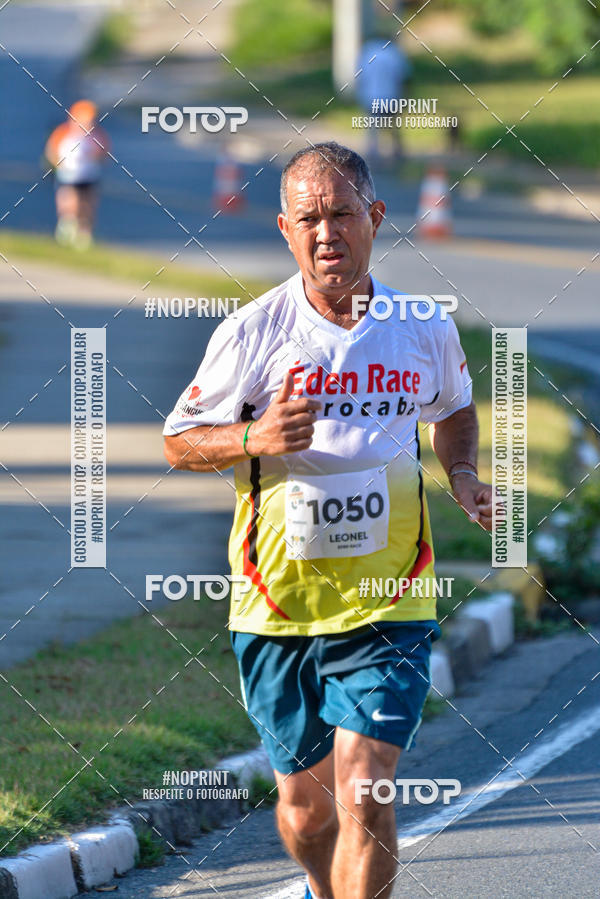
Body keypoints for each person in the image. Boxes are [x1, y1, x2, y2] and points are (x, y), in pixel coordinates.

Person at [163, 142, 492, 899]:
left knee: (368, 786)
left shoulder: (421, 325)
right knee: (307, 814)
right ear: (284, 228)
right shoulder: (253, 332)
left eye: (342, 214)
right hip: (278, 604)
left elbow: (454, 409)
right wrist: (255, 437)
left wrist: (464, 475)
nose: (326, 233)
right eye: (308, 218)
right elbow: (179, 441)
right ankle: (321, 885)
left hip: (390, 596)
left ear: (375, 217)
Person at [45, 100, 110, 249]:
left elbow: (104, 153)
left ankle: (84, 234)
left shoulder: (97, 135)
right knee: (70, 202)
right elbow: (52, 151)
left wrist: (96, 159)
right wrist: (60, 165)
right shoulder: (64, 133)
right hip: (69, 176)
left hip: (89, 175)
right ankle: (67, 228)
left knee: (88, 204)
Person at [356, 37, 411, 161]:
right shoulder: (395, 53)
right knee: (393, 125)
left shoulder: (367, 52)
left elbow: (360, 76)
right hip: (391, 94)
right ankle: (397, 151)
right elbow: (403, 76)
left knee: (373, 127)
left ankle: (373, 152)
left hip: (371, 95)